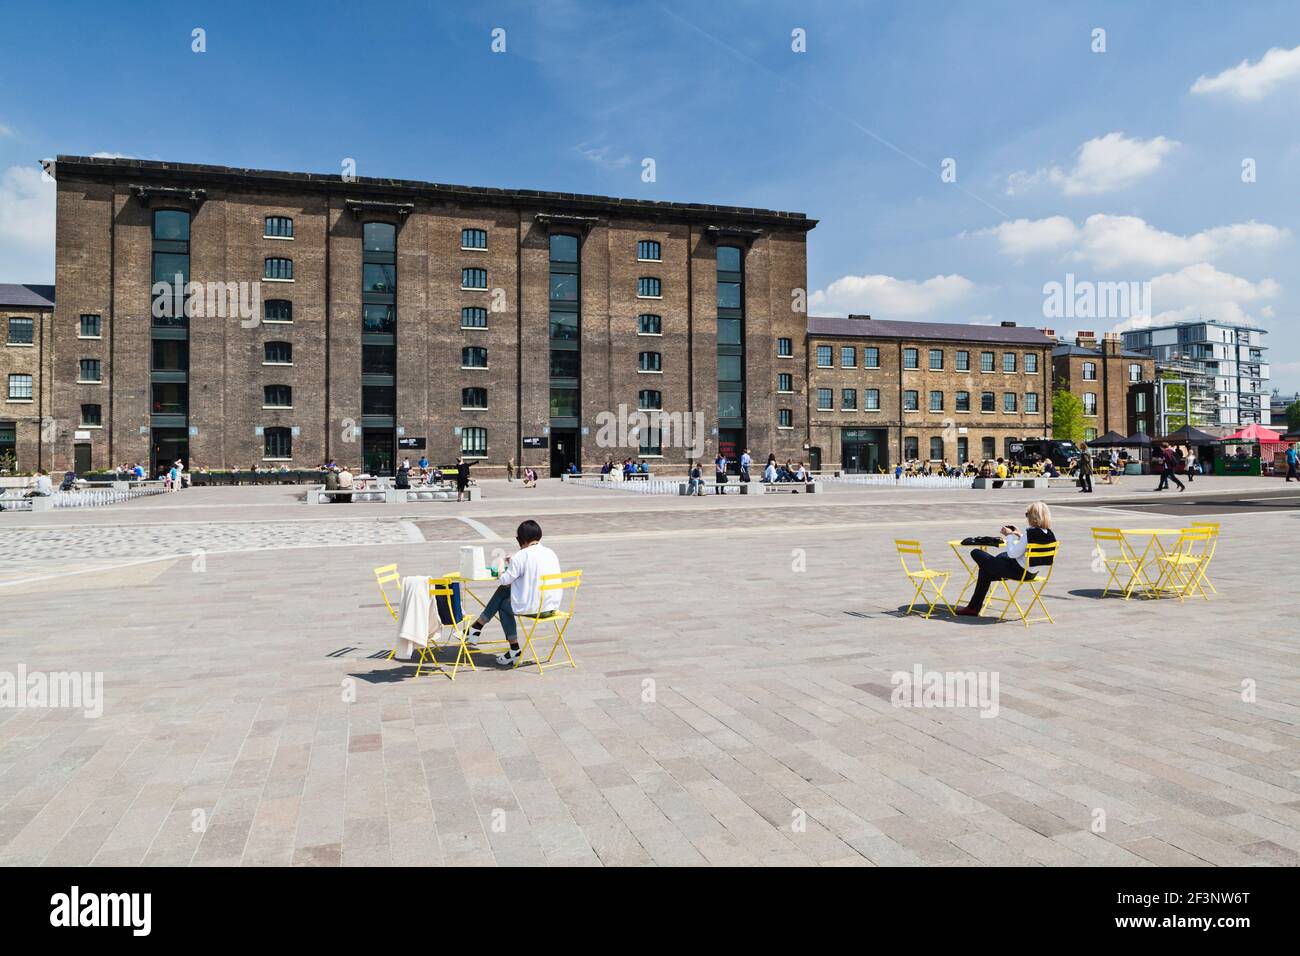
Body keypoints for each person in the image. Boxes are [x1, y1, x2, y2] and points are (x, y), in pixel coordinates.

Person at [463, 520, 562, 667]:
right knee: (505, 593)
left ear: (521, 539)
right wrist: (513, 563)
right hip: (551, 607)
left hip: (535, 608)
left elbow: (504, 580)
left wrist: (503, 565)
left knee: (503, 603)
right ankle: (477, 629)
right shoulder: (550, 552)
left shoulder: (521, 556)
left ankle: (481, 629)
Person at [957, 501, 1057, 616]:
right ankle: (972, 608)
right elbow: (1029, 545)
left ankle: (973, 608)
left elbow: (1012, 554)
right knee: (985, 571)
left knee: (976, 553)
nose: (1026, 517)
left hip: (1018, 572)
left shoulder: (1029, 534)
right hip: (1032, 573)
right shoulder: (1049, 534)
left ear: (1033, 517)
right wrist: (1020, 535)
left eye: (1027, 514)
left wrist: (1009, 535)